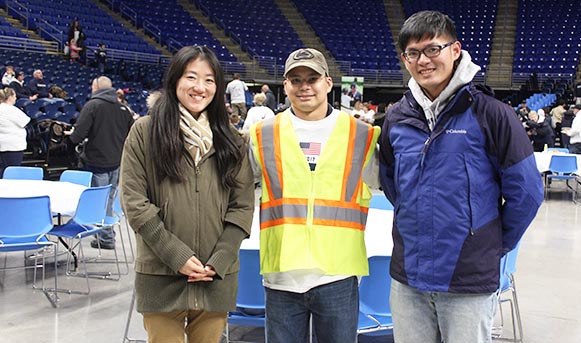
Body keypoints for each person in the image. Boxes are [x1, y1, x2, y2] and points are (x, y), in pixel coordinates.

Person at [379, 11, 543, 343]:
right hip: (408, 277)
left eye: (432, 49)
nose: (423, 60)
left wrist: (490, 241)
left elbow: (526, 193)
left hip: (467, 282)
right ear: (404, 60)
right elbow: (393, 186)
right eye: (413, 53)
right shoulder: (396, 118)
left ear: (455, 50)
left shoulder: (492, 114)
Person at [119, 45, 254, 343]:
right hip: (161, 275)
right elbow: (134, 202)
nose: (199, 87)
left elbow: (242, 206)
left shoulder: (233, 140)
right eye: (191, 77)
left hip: (215, 276)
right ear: (175, 80)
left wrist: (220, 258)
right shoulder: (144, 131)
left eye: (208, 80)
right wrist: (175, 255)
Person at [250, 47, 380, 343]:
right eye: (295, 80)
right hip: (281, 277)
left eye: (312, 78)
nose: (304, 86)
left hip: (337, 277)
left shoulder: (360, 134)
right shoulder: (263, 134)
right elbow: (235, 191)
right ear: (285, 86)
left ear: (328, 83)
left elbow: (391, 185)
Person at [66, 76, 134, 249]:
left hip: (98, 162)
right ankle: (106, 235)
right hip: (117, 161)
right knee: (108, 200)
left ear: (96, 87)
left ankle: (106, 238)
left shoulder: (93, 105)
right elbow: (132, 135)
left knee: (102, 201)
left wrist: (71, 139)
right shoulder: (123, 109)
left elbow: (78, 135)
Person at [0, 88, 31, 178]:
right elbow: (25, 122)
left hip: (3, 144)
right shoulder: (12, 110)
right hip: (13, 146)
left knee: (3, 170)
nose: (16, 98)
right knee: (11, 172)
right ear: (10, 97)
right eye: (15, 96)